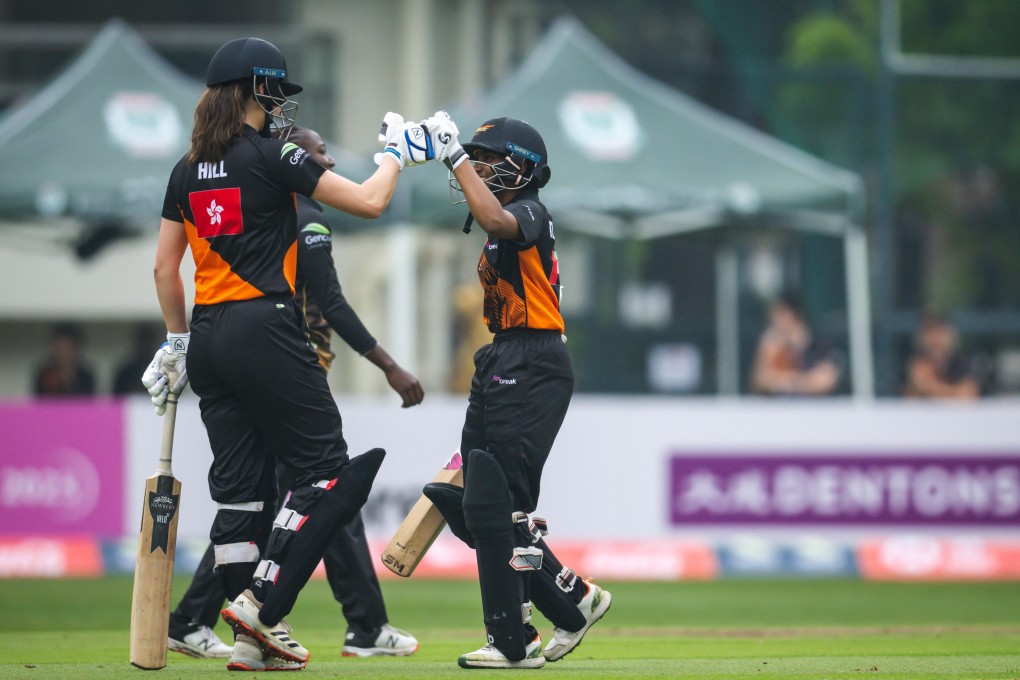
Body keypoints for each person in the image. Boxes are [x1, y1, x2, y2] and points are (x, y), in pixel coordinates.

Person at [142, 36, 436, 672]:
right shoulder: (273, 156)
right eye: (275, 92)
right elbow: (370, 200)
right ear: (256, 91)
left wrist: (176, 340)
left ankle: (252, 639)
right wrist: (395, 156)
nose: (280, 106)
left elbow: (166, 270)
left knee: (241, 498)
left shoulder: (185, 168)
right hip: (265, 326)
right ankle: (262, 605)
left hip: (208, 339)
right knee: (327, 472)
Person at [413, 112, 612, 669]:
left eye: (486, 159)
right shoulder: (506, 212)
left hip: (533, 356)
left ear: (521, 169)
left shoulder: (528, 210)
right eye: (471, 157)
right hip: (503, 353)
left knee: (502, 505)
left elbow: (496, 220)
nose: (475, 166)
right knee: (480, 502)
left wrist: (453, 156)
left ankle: (516, 637)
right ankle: (569, 601)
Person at [750, 292, 841, 396]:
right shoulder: (773, 345)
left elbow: (824, 382)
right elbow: (761, 381)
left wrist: (786, 381)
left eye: (779, 313)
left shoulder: (819, 346)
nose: (773, 320)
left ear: (791, 315)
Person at [903, 310, 980, 399]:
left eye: (939, 330)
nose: (935, 337)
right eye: (929, 331)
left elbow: (968, 394)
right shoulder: (917, 361)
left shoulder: (961, 361)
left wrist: (930, 386)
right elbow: (909, 398)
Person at [33, 322, 96, 396]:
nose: (64, 351)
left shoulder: (86, 376)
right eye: (60, 345)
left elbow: (88, 403)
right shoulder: (44, 374)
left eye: (68, 345)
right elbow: (38, 402)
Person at [113, 324, 161, 395]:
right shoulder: (125, 373)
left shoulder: (163, 371)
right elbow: (116, 398)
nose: (145, 346)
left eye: (148, 342)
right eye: (143, 341)